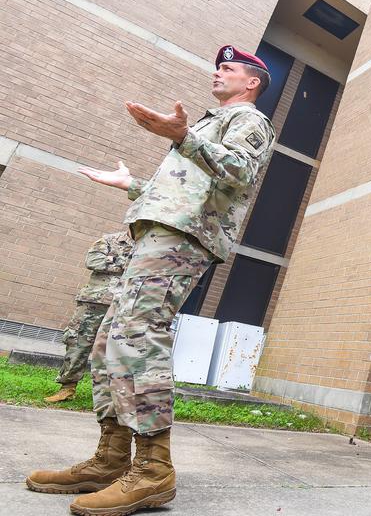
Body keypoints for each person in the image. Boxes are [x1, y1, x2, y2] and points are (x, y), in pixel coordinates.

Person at [26, 45, 276, 516]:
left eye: (230, 68)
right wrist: (133, 185)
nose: (218, 72)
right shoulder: (205, 125)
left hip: (184, 238)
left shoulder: (250, 121)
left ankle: (154, 470)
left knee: (137, 336)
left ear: (252, 83)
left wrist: (184, 136)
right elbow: (185, 190)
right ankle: (112, 460)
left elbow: (240, 172)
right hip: (161, 231)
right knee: (107, 341)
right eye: (217, 67)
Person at [45, 231, 134, 403]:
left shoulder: (148, 246)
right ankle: (67, 387)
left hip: (125, 306)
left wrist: (112, 260)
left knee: (118, 350)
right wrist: (127, 263)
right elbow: (93, 261)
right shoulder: (109, 240)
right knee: (77, 342)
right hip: (94, 301)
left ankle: (109, 395)